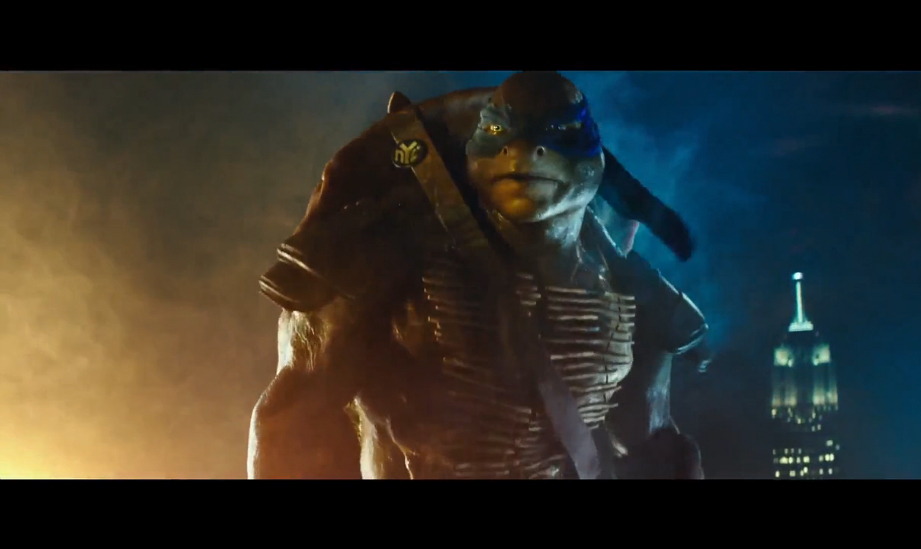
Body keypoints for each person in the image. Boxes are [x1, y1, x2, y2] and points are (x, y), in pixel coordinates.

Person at [248, 71, 708, 479]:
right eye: (502, 134)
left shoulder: (628, 290)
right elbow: (292, 421)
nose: (526, 154)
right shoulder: (379, 259)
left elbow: (651, 440)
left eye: (558, 136)